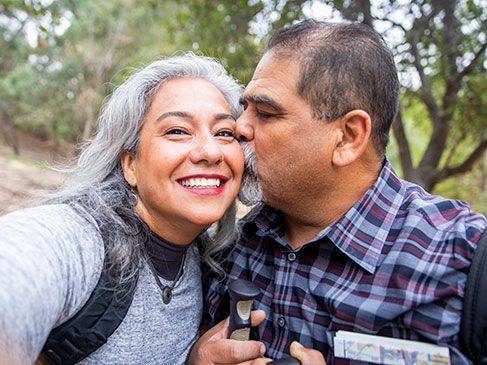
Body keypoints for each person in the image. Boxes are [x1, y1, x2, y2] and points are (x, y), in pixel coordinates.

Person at [198, 20, 487, 365]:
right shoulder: (229, 245)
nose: (239, 127)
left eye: (266, 112)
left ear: (348, 137)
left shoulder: (465, 261)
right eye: (245, 108)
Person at [0, 53, 251, 364]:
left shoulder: (207, 258)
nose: (210, 151)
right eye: (177, 130)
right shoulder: (79, 241)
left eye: (224, 133)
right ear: (130, 163)